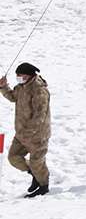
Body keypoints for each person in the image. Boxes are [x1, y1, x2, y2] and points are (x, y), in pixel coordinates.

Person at [1, 62, 50, 197]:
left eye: (20, 75)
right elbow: (12, 97)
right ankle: (35, 174)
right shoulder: (21, 87)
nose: (17, 77)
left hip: (37, 135)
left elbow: (40, 115)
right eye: (16, 75)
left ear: (28, 75)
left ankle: (43, 186)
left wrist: (30, 132)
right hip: (21, 133)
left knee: (36, 162)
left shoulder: (39, 90)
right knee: (13, 158)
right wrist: (3, 86)